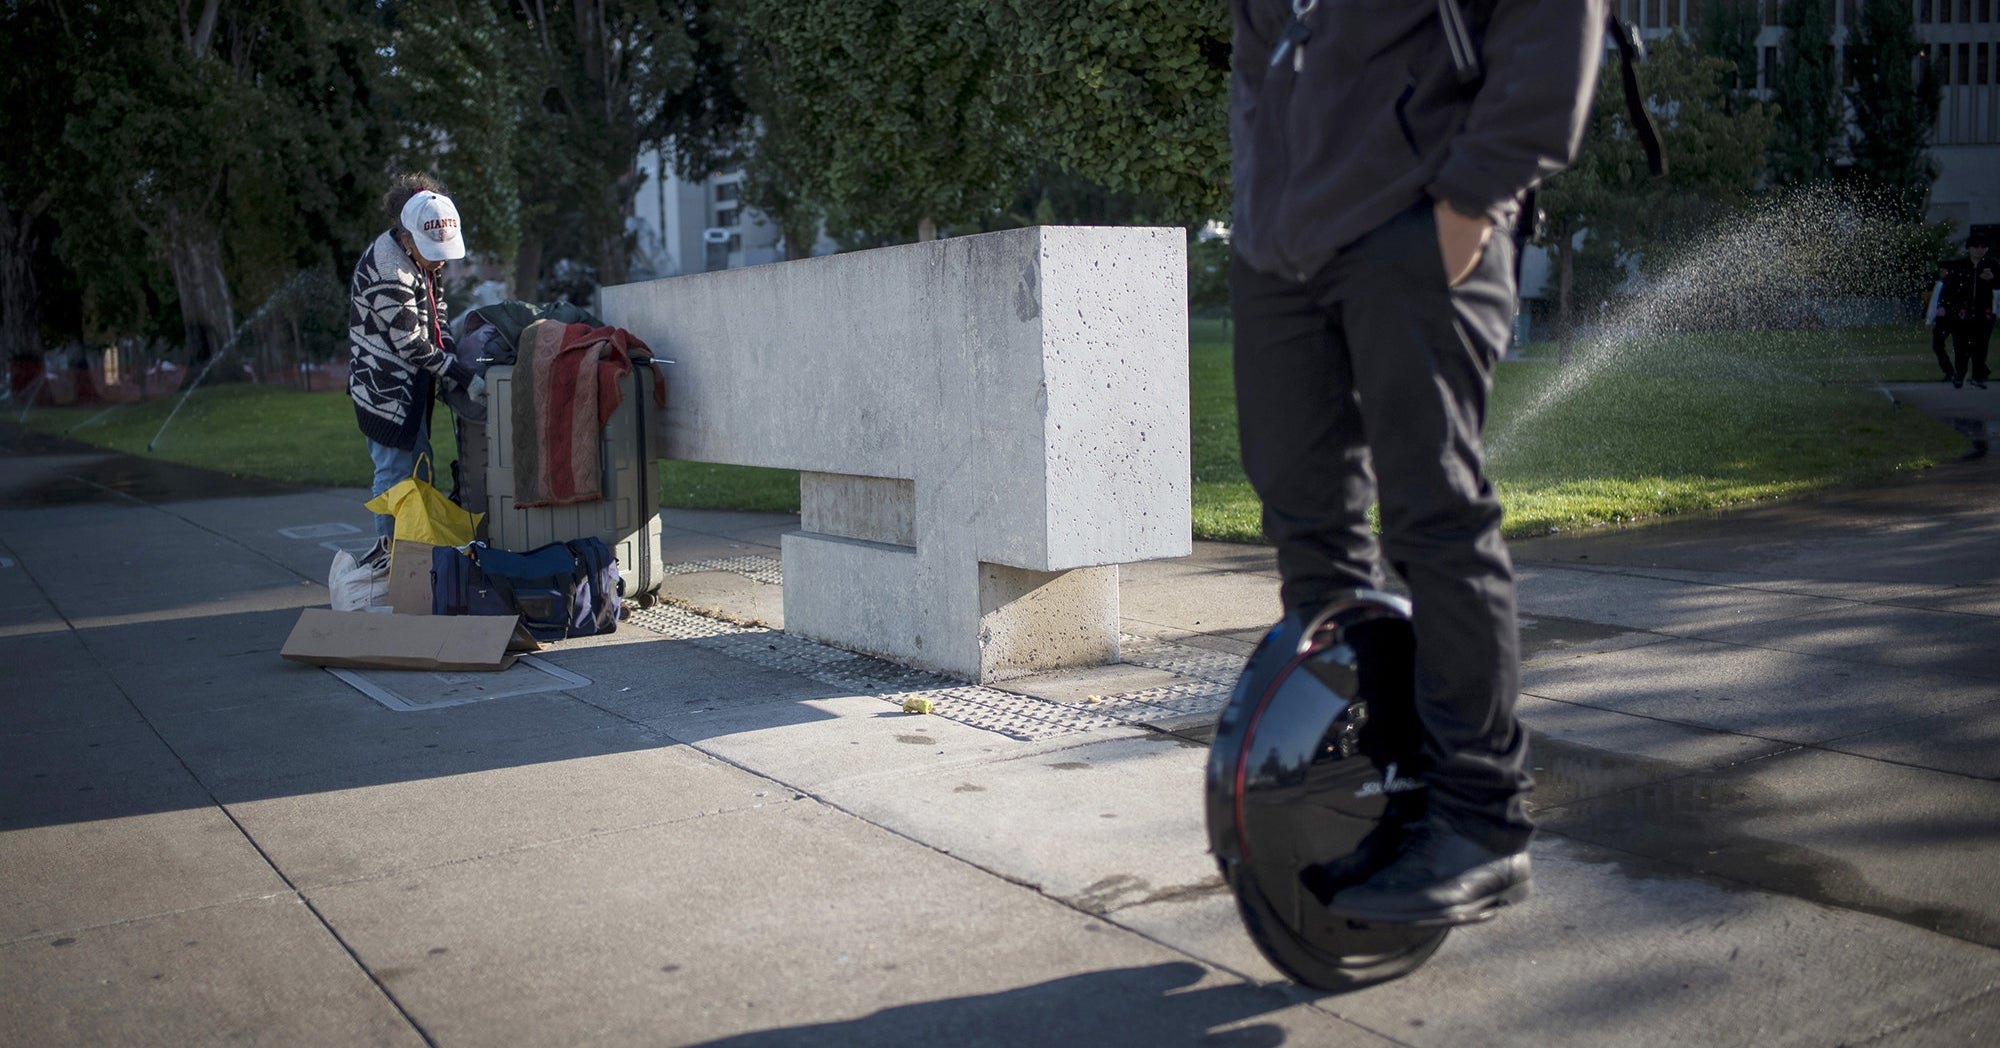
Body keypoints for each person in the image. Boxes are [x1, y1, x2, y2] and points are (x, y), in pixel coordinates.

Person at [1229, 0, 1609, 926]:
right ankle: (1387, 799)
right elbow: (1258, 57)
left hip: (1420, 211)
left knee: (1433, 514)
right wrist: (1255, 210)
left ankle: (1481, 822)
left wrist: (1472, 196)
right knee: (1306, 533)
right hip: (1281, 244)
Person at [348, 173, 483, 536]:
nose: (441, 263)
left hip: (410, 384)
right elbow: (408, 341)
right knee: (396, 477)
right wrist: (460, 374)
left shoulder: (420, 260)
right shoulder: (388, 268)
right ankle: (392, 562)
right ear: (407, 236)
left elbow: (437, 312)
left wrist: (451, 357)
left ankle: (417, 561)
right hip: (384, 392)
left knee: (420, 470)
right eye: (434, 254)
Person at [1929, 232, 1997, 390]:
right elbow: (1949, 288)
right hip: (1962, 312)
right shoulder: (1960, 266)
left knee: (1981, 345)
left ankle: (1978, 376)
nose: (1980, 250)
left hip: (1983, 311)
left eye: (1983, 247)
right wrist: (1943, 305)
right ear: (1969, 248)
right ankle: (1960, 374)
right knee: (1961, 345)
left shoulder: (1991, 264)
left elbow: (1997, 281)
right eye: (1976, 247)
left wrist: (1992, 278)